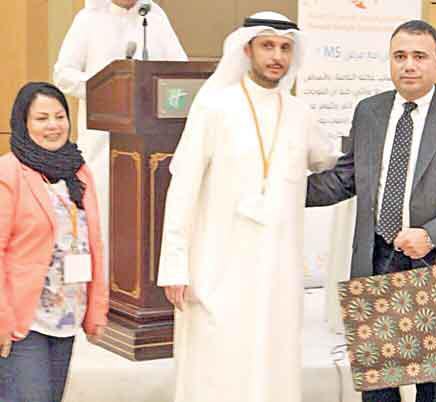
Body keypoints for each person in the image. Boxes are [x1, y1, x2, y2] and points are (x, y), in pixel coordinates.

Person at [306, 20, 436, 402]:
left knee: (435, 389)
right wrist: (283, 190)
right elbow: (346, 179)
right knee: (378, 389)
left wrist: (431, 235)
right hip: (376, 259)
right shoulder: (369, 112)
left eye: (419, 56)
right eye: (399, 56)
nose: (409, 65)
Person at [156, 11, 337, 402]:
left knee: (271, 365)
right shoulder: (214, 107)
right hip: (217, 266)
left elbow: (331, 162)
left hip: (277, 273)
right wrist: (174, 263)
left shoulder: (300, 114)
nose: (277, 57)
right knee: (216, 365)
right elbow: (183, 187)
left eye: (285, 48)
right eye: (268, 46)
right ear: (247, 49)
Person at [54, 0, 188, 273]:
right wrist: (108, 86)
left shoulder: (154, 16)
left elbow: (180, 71)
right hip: (102, 141)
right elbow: (63, 75)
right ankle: (102, 286)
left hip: (151, 143)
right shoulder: (88, 19)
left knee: (145, 217)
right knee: (104, 215)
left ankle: (139, 285)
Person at [0, 82, 108, 402]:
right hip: (23, 320)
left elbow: (94, 244)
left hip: (66, 316)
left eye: (60, 117)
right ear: (23, 123)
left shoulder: (78, 171)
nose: (53, 126)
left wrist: (96, 309)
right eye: (42, 118)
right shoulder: (9, 172)